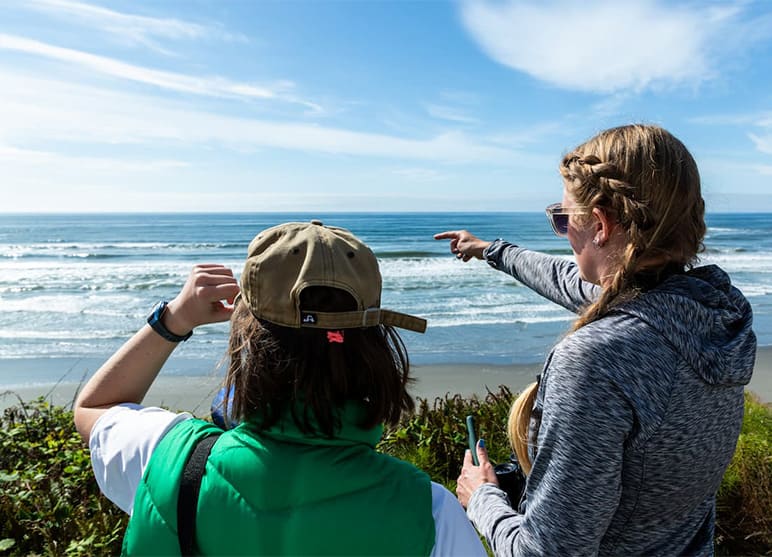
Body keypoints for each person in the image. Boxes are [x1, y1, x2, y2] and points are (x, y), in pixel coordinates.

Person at [435, 124, 756, 556]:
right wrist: (491, 250)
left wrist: (482, 499)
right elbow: (570, 279)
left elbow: (546, 552)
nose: (563, 232)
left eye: (563, 218)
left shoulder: (597, 360)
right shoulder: (718, 317)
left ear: (601, 224)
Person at [74, 220, 486, 556]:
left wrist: (174, 319)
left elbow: (95, 408)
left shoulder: (169, 460)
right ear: (373, 347)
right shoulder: (429, 513)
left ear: (246, 339)